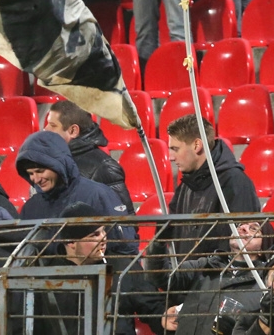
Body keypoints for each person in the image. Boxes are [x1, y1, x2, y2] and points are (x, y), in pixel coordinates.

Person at [27, 202, 165, 335]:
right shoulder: (48, 274)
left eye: (103, 231)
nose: (104, 238)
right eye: (95, 235)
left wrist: (164, 319)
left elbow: (152, 306)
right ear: (71, 242)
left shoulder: (123, 266)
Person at [151, 113, 259, 280]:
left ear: (196, 145)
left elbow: (241, 248)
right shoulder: (185, 186)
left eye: (175, 149)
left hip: (216, 290)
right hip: (189, 289)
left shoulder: (236, 182)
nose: (171, 157)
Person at [15, 131, 136, 255]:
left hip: (96, 272)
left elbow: (125, 247)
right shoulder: (30, 208)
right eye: (30, 173)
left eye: (40, 171)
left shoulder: (97, 194)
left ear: (59, 164)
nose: (36, 179)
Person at [163, 221, 274, 335]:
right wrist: (158, 244)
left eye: (253, 229)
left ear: (262, 249)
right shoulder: (205, 265)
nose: (242, 228)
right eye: (240, 225)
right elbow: (163, 278)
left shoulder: (265, 284)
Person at [44, 99, 133, 211]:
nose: (45, 129)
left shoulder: (104, 168)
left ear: (73, 131)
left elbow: (125, 222)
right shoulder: (47, 162)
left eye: (52, 125)